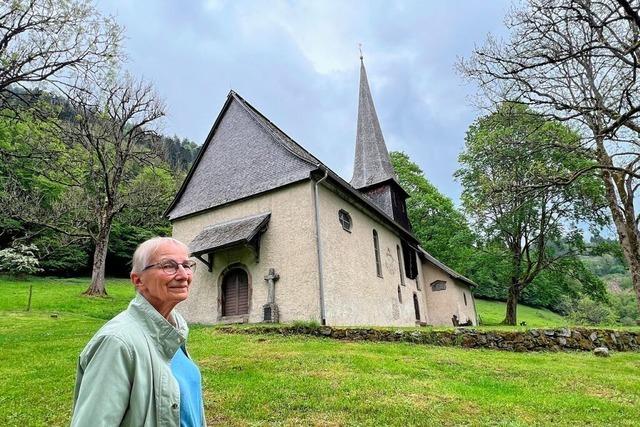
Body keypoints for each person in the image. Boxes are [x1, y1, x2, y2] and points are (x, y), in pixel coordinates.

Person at [71, 237, 206, 427]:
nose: (184, 275)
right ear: (138, 280)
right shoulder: (117, 342)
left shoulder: (172, 332)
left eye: (187, 265)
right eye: (169, 266)